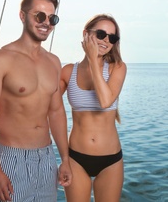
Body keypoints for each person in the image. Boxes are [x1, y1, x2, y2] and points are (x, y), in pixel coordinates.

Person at [0, 0, 72, 202]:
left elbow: (56, 112)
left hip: (46, 159)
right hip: (11, 159)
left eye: (52, 18)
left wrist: (64, 158)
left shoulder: (54, 62)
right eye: (39, 16)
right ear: (22, 16)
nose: (46, 22)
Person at [60, 13, 127, 202]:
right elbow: (47, 108)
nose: (106, 40)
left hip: (110, 160)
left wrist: (93, 61)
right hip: (75, 158)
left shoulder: (118, 68)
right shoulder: (67, 72)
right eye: (101, 34)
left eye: (112, 37)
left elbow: (105, 101)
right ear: (86, 34)